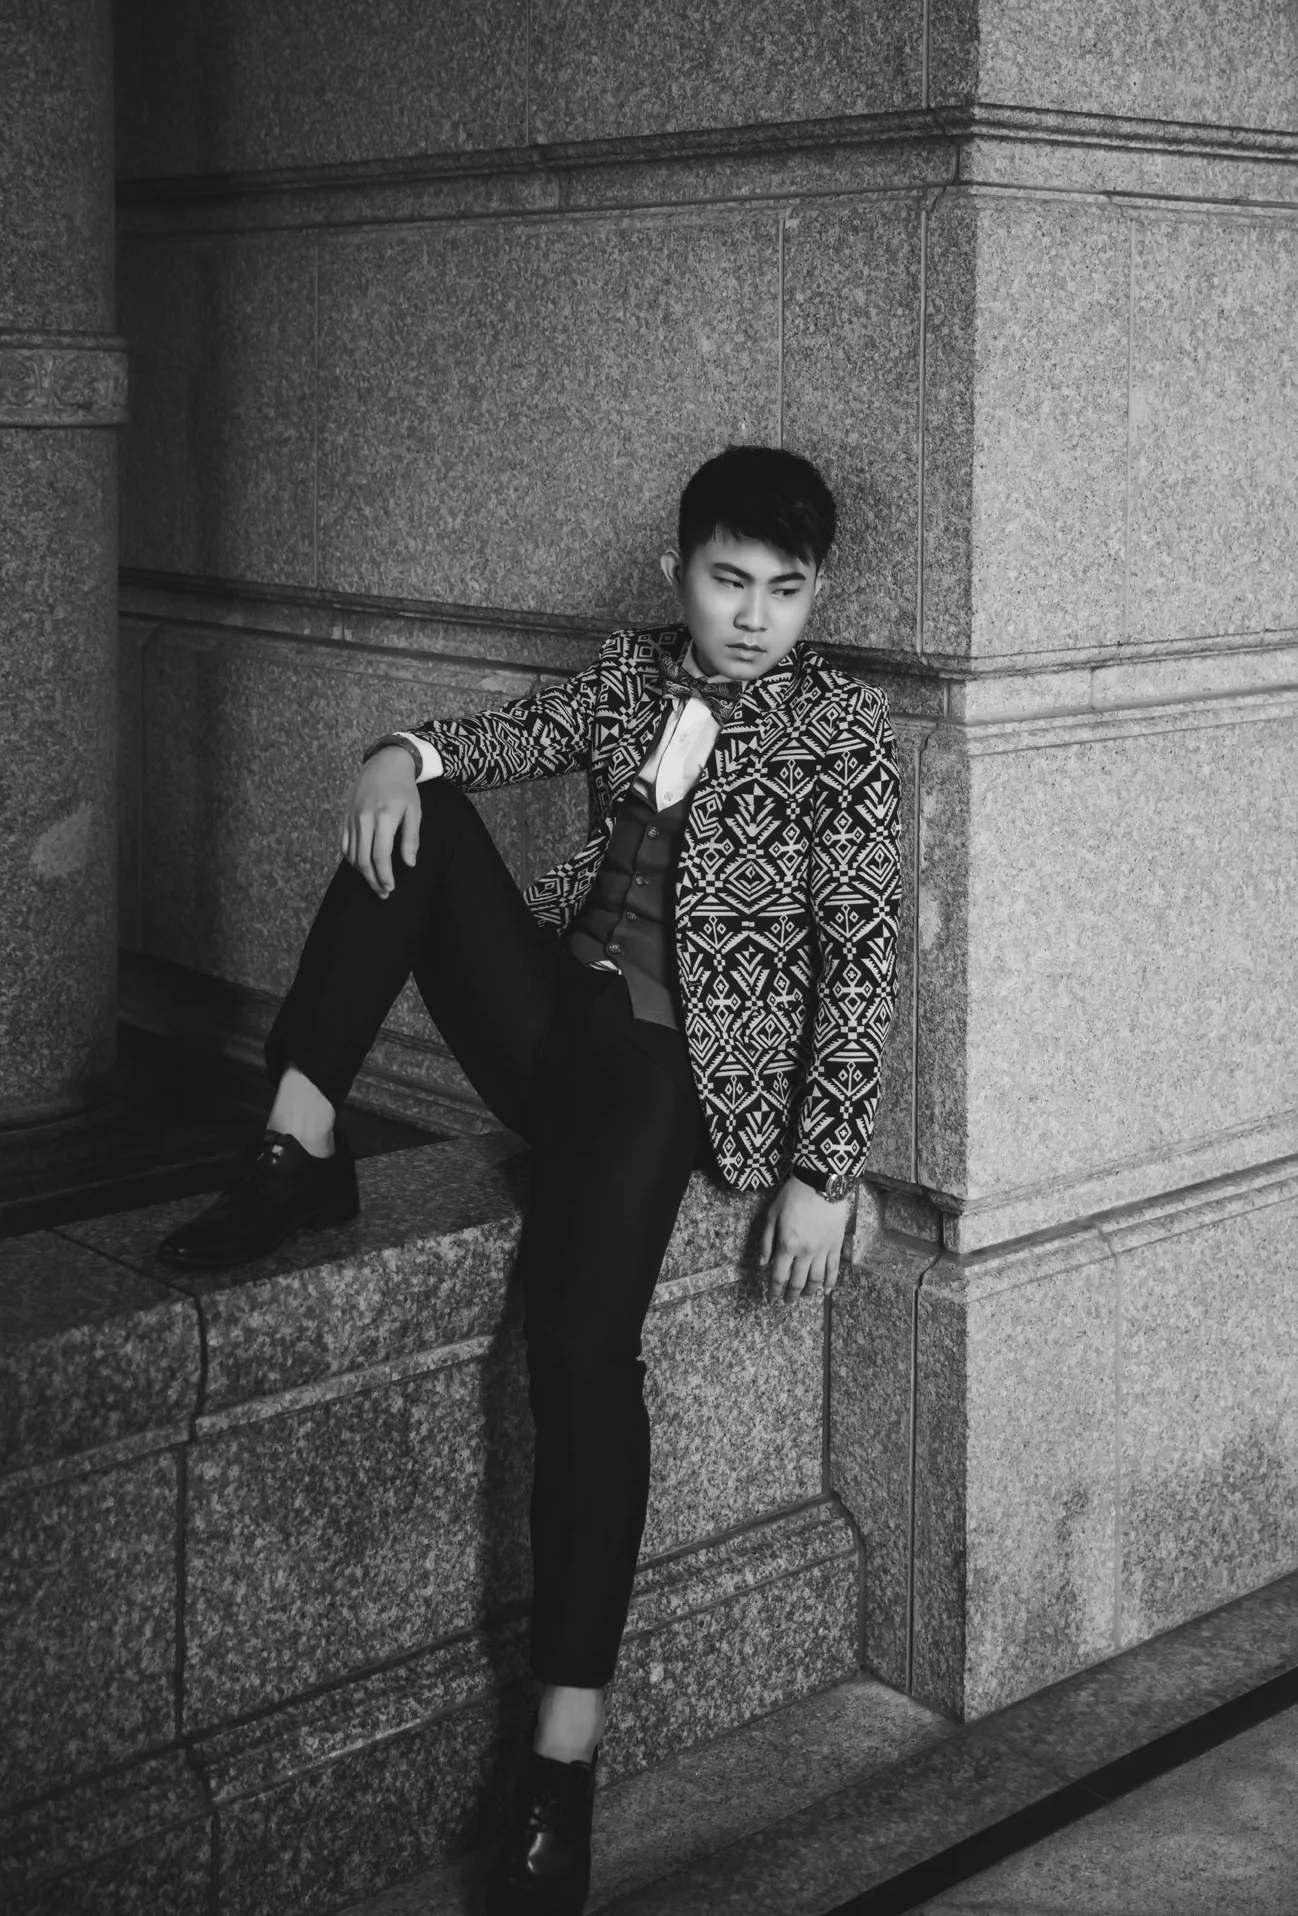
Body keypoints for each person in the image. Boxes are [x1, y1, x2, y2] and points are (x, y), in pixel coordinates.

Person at [157, 444, 901, 1915]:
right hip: (554, 1028)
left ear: (814, 596)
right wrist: (399, 749)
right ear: (680, 574)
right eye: (728, 581)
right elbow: (500, 741)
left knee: (576, 1355)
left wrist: (826, 1169)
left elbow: (863, 963)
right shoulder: (626, 673)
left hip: (662, 1077)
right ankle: (296, 1146)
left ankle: (561, 1764)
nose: (754, 615)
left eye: (785, 589)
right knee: (421, 825)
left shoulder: (843, 734)